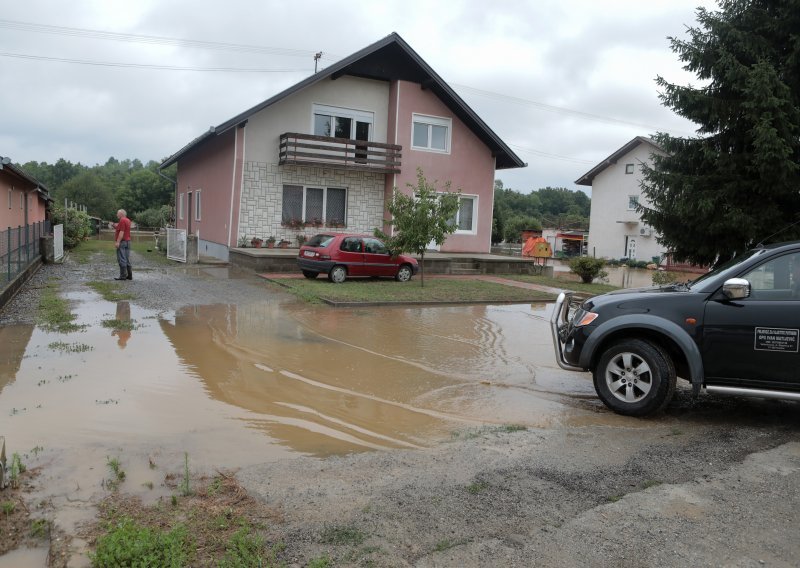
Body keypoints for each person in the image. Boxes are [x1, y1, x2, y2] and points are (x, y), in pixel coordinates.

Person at [114, 209, 132, 281]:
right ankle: (129, 275)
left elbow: (121, 232)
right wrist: (114, 226)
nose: (117, 215)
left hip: (122, 242)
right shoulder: (128, 220)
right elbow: (122, 229)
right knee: (127, 259)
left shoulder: (122, 220)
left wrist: (118, 242)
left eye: (118, 213)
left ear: (121, 214)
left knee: (121, 259)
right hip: (128, 242)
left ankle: (123, 276)